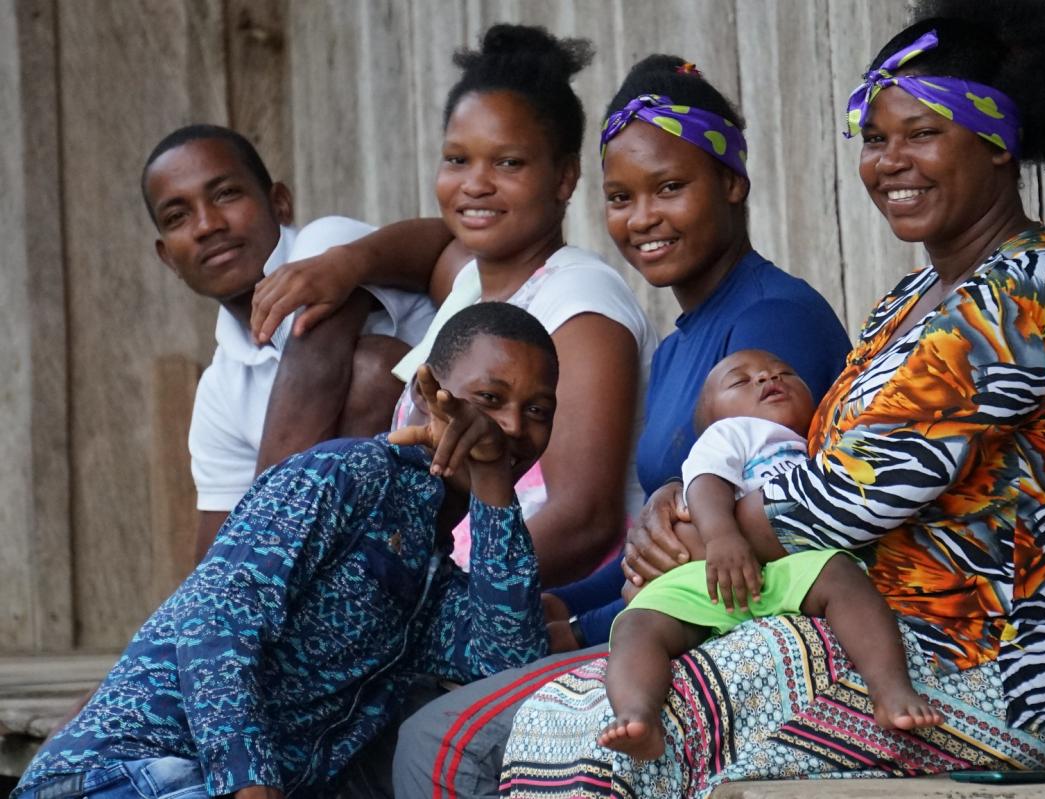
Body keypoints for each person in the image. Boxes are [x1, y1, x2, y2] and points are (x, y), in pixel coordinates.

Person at [500, 0, 1045, 794]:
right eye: (875, 138)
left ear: (999, 143)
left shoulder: (1014, 305)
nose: (890, 161)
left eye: (923, 133)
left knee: (590, 737)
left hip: (974, 679)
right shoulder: (912, 301)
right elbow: (800, 462)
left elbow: (839, 501)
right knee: (564, 718)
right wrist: (685, 497)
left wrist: (704, 514)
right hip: (862, 631)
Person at [390, 56, 852, 799]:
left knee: (438, 742)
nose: (642, 218)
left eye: (670, 187)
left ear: (731, 182)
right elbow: (655, 543)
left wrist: (589, 618)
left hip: (752, 630)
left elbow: (746, 530)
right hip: (669, 622)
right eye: (621, 197)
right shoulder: (676, 348)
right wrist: (570, 608)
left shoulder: (773, 319)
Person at [12, 302, 557, 799]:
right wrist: (249, 782)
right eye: (489, 399)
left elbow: (505, 660)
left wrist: (492, 483)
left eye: (537, 410)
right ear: (427, 392)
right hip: (132, 771)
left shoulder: (434, 571)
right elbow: (215, 621)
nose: (510, 425)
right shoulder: (348, 474)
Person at [247, 26, 656, 586]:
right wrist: (348, 263)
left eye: (508, 164)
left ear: (564, 178)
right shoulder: (471, 284)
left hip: (528, 605)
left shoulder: (581, 302)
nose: (475, 185)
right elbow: (434, 244)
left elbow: (586, 523)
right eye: (457, 159)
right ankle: (258, 561)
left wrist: (427, 602)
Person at [600, 349, 942, 761]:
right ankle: (637, 714)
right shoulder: (731, 433)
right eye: (740, 381)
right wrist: (723, 537)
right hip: (711, 569)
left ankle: (890, 690)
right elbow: (705, 485)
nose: (766, 378)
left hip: (783, 569)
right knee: (637, 624)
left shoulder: (821, 441)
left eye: (784, 372)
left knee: (841, 576)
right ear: (711, 416)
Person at [141, 124, 437, 560]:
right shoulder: (221, 389)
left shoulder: (326, 245)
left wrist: (255, 571)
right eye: (177, 217)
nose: (206, 225)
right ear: (169, 258)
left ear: (280, 203)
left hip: (470, 506)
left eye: (225, 194)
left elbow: (316, 366)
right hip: (360, 567)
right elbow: (216, 554)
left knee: (372, 370)